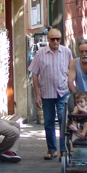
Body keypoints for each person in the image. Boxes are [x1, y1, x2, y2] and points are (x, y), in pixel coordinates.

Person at [29, 28, 72, 160]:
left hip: (63, 91)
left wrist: (73, 88)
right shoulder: (40, 53)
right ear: (48, 40)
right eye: (53, 39)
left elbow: (72, 70)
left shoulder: (66, 52)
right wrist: (37, 95)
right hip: (46, 93)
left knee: (63, 120)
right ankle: (52, 149)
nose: (56, 42)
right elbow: (34, 74)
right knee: (48, 122)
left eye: (58, 39)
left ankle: (63, 150)